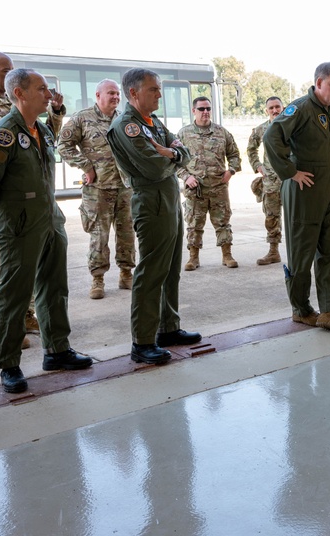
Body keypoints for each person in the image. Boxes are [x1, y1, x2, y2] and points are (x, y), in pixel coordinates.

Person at [0, 68, 92, 394]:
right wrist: (2, 213)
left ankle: (57, 350)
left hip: (50, 220)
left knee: (55, 288)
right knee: (14, 296)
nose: (48, 94)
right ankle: (8, 364)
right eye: (41, 88)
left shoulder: (39, 129)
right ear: (20, 93)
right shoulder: (4, 132)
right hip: (20, 224)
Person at [263, 62, 330, 333]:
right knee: (302, 251)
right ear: (319, 82)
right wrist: (290, 172)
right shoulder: (300, 109)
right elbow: (271, 136)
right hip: (304, 188)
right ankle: (301, 309)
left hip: (329, 187)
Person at [0, 51, 66, 340]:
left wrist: (54, 114)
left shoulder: (32, 116)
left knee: (41, 272)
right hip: (8, 198)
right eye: (3, 70)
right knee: (8, 267)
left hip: (38, 206)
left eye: (12, 69)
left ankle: (29, 316)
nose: (9, 73)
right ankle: (13, 327)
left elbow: (46, 137)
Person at [106, 68, 201, 365]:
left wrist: (171, 153)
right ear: (133, 93)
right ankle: (143, 341)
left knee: (171, 268)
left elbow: (187, 152)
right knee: (151, 273)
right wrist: (173, 156)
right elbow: (152, 168)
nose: (159, 94)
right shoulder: (127, 126)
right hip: (150, 199)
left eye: (158, 89)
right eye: (153, 89)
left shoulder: (153, 122)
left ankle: (168, 328)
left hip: (170, 198)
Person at [57, 79, 135, 299]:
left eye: (118, 94)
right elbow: (63, 145)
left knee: (127, 233)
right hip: (98, 188)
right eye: (111, 93)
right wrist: (85, 165)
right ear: (98, 95)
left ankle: (126, 274)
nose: (116, 97)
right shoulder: (83, 118)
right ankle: (98, 279)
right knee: (99, 236)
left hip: (124, 187)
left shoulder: (124, 119)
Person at [176, 96, 242, 270]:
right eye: (201, 109)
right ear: (193, 111)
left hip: (218, 188)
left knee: (223, 223)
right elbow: (174, 160)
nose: (205, 112)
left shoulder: (222, 132)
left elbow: (234, 155)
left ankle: (227, 255)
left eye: (208, 109)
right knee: (194, 224)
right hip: (195, 189)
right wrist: (185, 176)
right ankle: (193, 258)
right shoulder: (183, 134)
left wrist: (231, 171)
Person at [246, 96, 284, 265]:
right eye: (271, 108)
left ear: (283, 108)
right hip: (270, 180)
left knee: (298, 217)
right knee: (271, 217)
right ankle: (273, 252)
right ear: (266, 110)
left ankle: (301, 251)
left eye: (277, 107)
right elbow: (251, 148)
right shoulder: (262, 129)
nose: (275, 110)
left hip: (292, 179)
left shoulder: (293, 126)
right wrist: (258, 166)